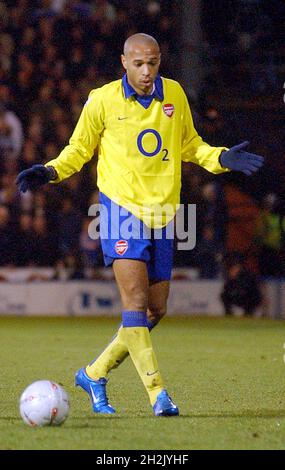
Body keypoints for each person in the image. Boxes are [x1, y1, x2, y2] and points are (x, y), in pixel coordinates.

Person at [16, 33, 264, 417]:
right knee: (134, 304)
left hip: (164, 215)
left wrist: (220, 158)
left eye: (153, 63)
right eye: (138, 64)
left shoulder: (175, 95)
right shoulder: (102, 100)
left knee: (155, 310)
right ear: (124, 62)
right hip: (120, 212)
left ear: (159, 60)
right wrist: (50, 171)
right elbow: (79, 150)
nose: (146, 71)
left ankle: (93, 374)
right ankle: (158, 394)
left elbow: (189, 144)